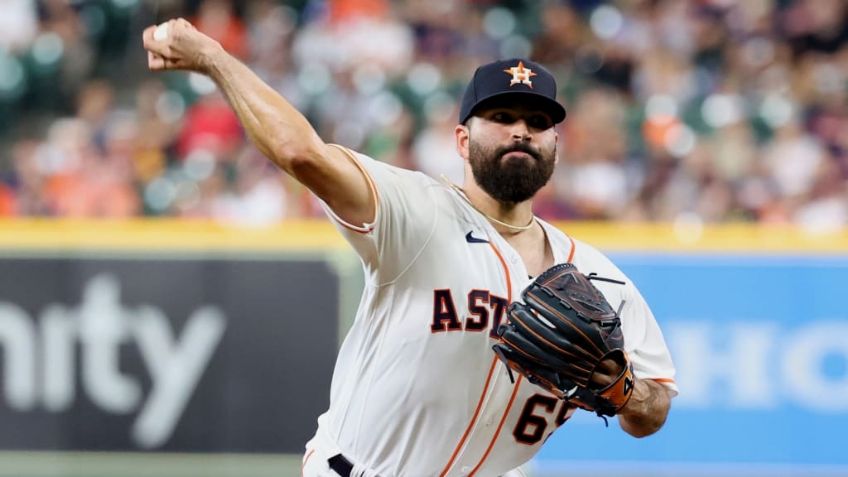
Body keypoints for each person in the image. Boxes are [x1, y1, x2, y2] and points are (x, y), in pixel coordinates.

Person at [143, 19, 677, 477]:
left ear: (556, 146)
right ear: (463, 142)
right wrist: (214, 58)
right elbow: (299, 153)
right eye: (502, 118)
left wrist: (624, 391)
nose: (521, 132)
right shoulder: (415, 211)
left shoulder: (600, 281)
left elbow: (653, 413)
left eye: (538, 123)